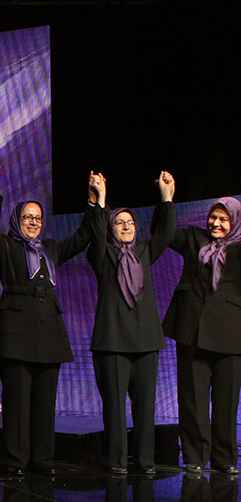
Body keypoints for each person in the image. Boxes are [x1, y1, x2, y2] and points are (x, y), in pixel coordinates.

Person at [0, 174, 98, 477]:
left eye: (37, 218)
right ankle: (16, 463)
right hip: (17, 333)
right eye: (27, 217)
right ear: (17, 220)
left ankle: (43, 461)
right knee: (17, 403)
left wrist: (93, 202)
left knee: (45, 405)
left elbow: (84, 236)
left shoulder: (51, 248)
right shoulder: (5, 246)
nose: (32, 222)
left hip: (49, 334)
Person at [86, 171, 175, 475]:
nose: (126, 227)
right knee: (114, 408)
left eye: (130, 222)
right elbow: (96, 233)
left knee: (146, 408)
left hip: (146, 340)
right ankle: (117, 462)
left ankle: (147, 462)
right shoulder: (102, 254)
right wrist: (100, 200)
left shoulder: (145, 252)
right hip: (111, 341)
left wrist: (166, 198)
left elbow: (165, 232)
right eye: (119, 223)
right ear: (112, 229)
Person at [163, 194, 241, 475]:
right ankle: (194, 455)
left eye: (223, 219)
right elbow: (164, 233)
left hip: (231, 332)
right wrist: (168, 200)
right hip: (191, 329)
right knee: (192, 398)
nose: (216, 223)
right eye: (213, 217)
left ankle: (225, 458)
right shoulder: (194, 239)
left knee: (226, 400)